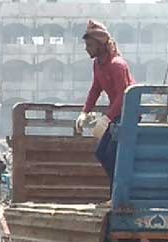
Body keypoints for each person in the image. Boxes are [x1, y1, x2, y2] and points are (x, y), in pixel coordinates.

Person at [74, 20, 135, 184]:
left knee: (113, 156)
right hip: (117, 115)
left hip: (129, 115)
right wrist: (84, 112)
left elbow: (124, 96)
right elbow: (95, 89)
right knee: (103, 154)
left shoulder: (117, 65)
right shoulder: (98, 64)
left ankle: (118, 196)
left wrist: (107, 118)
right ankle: (115, 195)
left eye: (90, 45)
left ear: (100, 45)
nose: (86, 48)